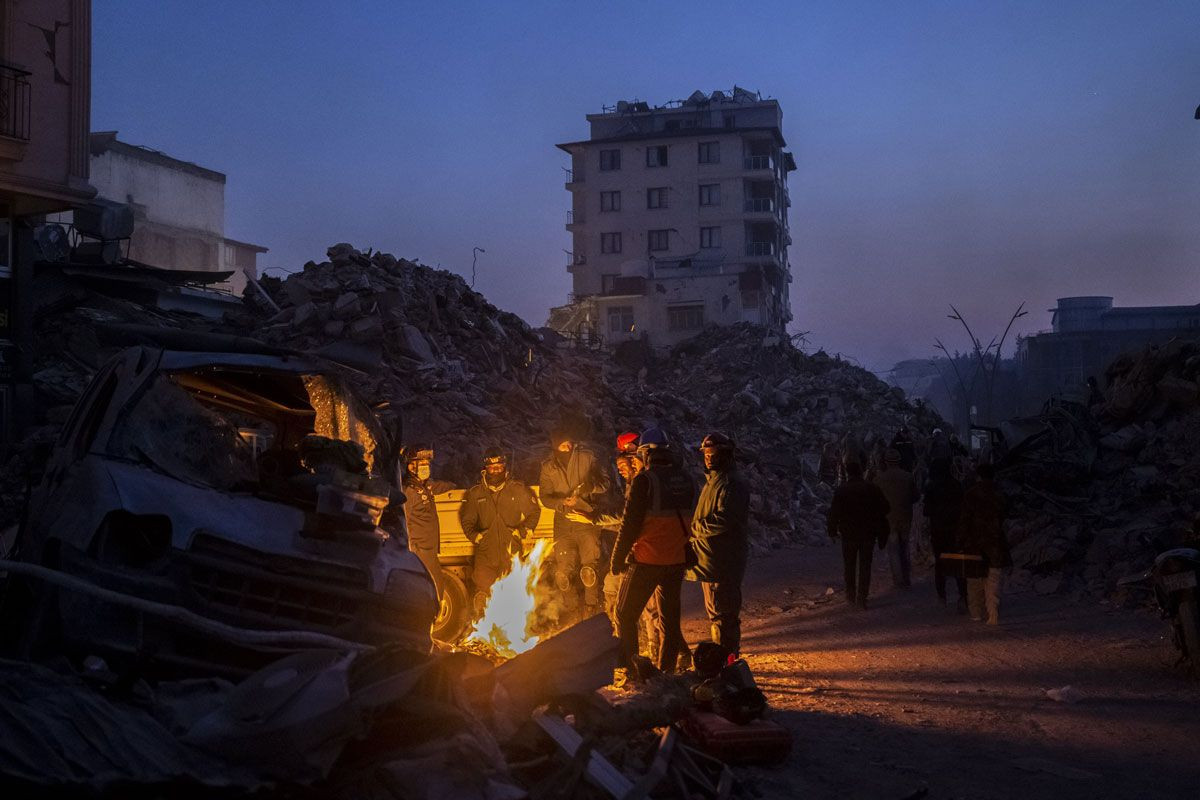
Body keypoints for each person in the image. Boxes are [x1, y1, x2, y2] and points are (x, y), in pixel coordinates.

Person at [609, 428, 695, 673]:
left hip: (647, 559)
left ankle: (632, 669)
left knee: (625, 614)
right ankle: (666, 672)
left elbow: (629, 525)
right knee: (669, 621)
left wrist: (617, 557)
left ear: (646, 453)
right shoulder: (687, 479)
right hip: (676, 560)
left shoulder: (644, 481)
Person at [539, 420, 612, 619]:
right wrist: (562, 501)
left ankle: (591, 609)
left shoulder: (587, 457)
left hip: (586, 519)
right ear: (556, 446)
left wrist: (588, 488)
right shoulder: (548, 467)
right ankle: (572, 611)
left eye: (570, 443)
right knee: (562, 573)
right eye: (563, 445)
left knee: (589, 570)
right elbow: (544, 497)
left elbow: (605, 483)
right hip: (563, 524)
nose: (568, 447)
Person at [687, 432, 751, 657]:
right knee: (718, 614)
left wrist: (692, 529)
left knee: (723, 616)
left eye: (712, 454)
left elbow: (725, 519)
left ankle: (727, 664)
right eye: (705, 454)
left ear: (725, 454)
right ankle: (726, 662)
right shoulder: (714, 482)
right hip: (712, 560)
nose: (708, 458)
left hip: (722, 561)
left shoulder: (732, 483)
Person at [459, 448, 541, 612]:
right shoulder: (476, 493)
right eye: (492, 467)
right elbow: (467, 520)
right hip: (485, 553)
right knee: (483, 597)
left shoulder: (517, 489)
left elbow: (534, 511)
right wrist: (476, 537)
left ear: (505, 468)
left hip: (511, 551)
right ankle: (485, 631)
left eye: (499, 467)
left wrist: (522, 532)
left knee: (513, 594)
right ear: (485, 468)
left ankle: (512, 631)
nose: (495, 471)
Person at [826, 460, 890, 609]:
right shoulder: (872, 488)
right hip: (868, 533)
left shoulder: (842, 490)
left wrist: (832, 531)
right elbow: (886, 508)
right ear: (861, 471)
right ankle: (862, 598)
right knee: (865, 566)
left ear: (848, 473)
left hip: (848, 534)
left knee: (849, 565)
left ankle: (850, 595)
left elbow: (834, 512)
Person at [958, 463, 1011, 625]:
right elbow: (1005, 517)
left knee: (974, 580)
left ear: (978, 476)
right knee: (993, 579)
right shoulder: (1000, 495)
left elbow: (964, 521)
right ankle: (993, 613)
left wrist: (960, 541)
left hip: (975, 544)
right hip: (995, 543)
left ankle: (976, 613)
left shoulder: (970, 495)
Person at [400, 443, 455, 598]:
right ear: (411, 467)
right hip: (420, 549)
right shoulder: (409, 490)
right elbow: (404, 520)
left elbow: (439, 487)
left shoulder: (424, 485)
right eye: (422, 464)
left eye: (427, 464)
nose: (426, 467)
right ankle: (427, 619)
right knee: (432, 587)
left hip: (428, 548)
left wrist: (456, 485)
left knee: (436, 586)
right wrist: (413, 548)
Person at [873, 448, 919, 589]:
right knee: (904, 547)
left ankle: (898, 581)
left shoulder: (878, 479)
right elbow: (915, 497)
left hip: (888, 519)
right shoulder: (908, 477)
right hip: (905, 516)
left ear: (885, 462)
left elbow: (876, 500)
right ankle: (907, 579)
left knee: (893, 549)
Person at [923, 459, 966, 608]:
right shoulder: (956, 485)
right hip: (955, 530)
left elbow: (926, 511)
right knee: (958, 562)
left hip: (938, 530)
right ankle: (962, 597)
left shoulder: (931, 487)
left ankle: (942, 596)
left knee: (940, 563)